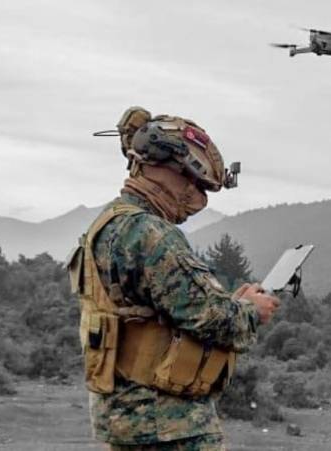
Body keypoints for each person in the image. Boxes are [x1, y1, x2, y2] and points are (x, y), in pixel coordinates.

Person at [68, 106, 280, 450]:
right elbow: (211, 319)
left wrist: (232, 303)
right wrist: (252, 311)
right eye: (193, 184)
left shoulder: (108, 224)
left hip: (124, 417)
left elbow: (159, 310)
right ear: (165, 170)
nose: (196, 199)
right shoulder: (151, 233)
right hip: (168, 423)